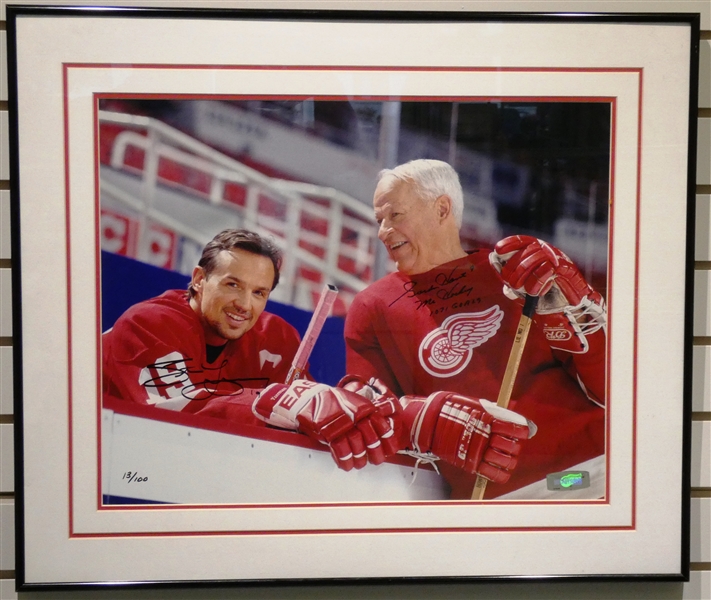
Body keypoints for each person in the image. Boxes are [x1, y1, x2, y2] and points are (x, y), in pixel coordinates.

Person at [343, 159, 606, 499]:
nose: (382, 231)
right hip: (494, 502)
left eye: (395, 216)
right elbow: (368, 418)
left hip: (580, 478)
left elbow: (610, 391)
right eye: (379, 220)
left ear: (441, 209)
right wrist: (413, 420)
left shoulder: (518, 273)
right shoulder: (372, 307)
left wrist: (580, 317)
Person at [102, 228, 303, 416]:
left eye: (258, 293)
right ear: (199, 279)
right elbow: (179, 414)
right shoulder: (146, 325)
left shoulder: (276, 339)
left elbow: (306, 414)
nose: (244, 305)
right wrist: (274, 404)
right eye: (232, 285)